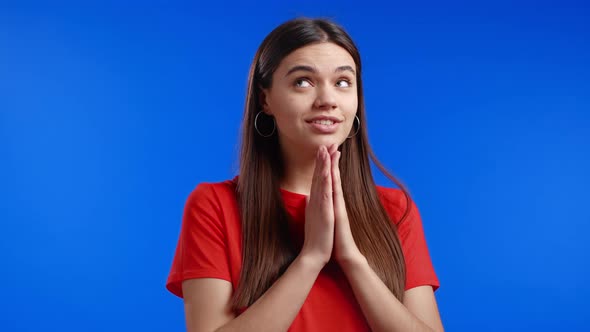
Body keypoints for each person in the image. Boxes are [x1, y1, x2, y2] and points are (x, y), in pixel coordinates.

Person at [166, 17, 444, 332]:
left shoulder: (395, 210)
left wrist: (352, 259)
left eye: (342, 82)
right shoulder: (214, 205)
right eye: (303, 81)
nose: (327, 100)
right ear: (265, 99)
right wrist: (311, 258)